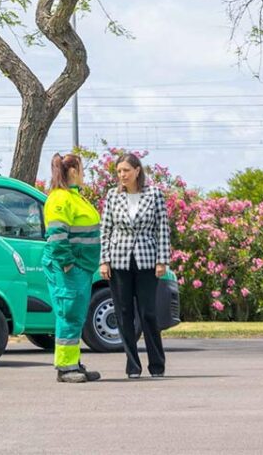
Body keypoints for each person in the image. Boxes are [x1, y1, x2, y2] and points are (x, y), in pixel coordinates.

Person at [99, 153, 171, 379]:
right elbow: (105, 229)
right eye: (119, 171)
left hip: (147, 260)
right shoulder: (112, 196)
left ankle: (157, 364)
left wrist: (162, 260)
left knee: (148, 313)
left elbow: (162, 229)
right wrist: (104, 260)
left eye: (126, 171)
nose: (122, 175)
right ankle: (132, 364)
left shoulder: (154, 194)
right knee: (123, 313)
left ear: (137, 171)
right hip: (119, 260)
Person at [42, 153, 102, 383]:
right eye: (82, 169)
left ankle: (73, 362)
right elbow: (57, 235)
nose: (84, 174)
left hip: (80, 267)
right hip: (70, 267)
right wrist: (67, 263)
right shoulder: (60, 198)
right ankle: (66, 368)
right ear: (74, 171)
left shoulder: (73, 197)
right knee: (69, 313)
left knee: (74, 315)